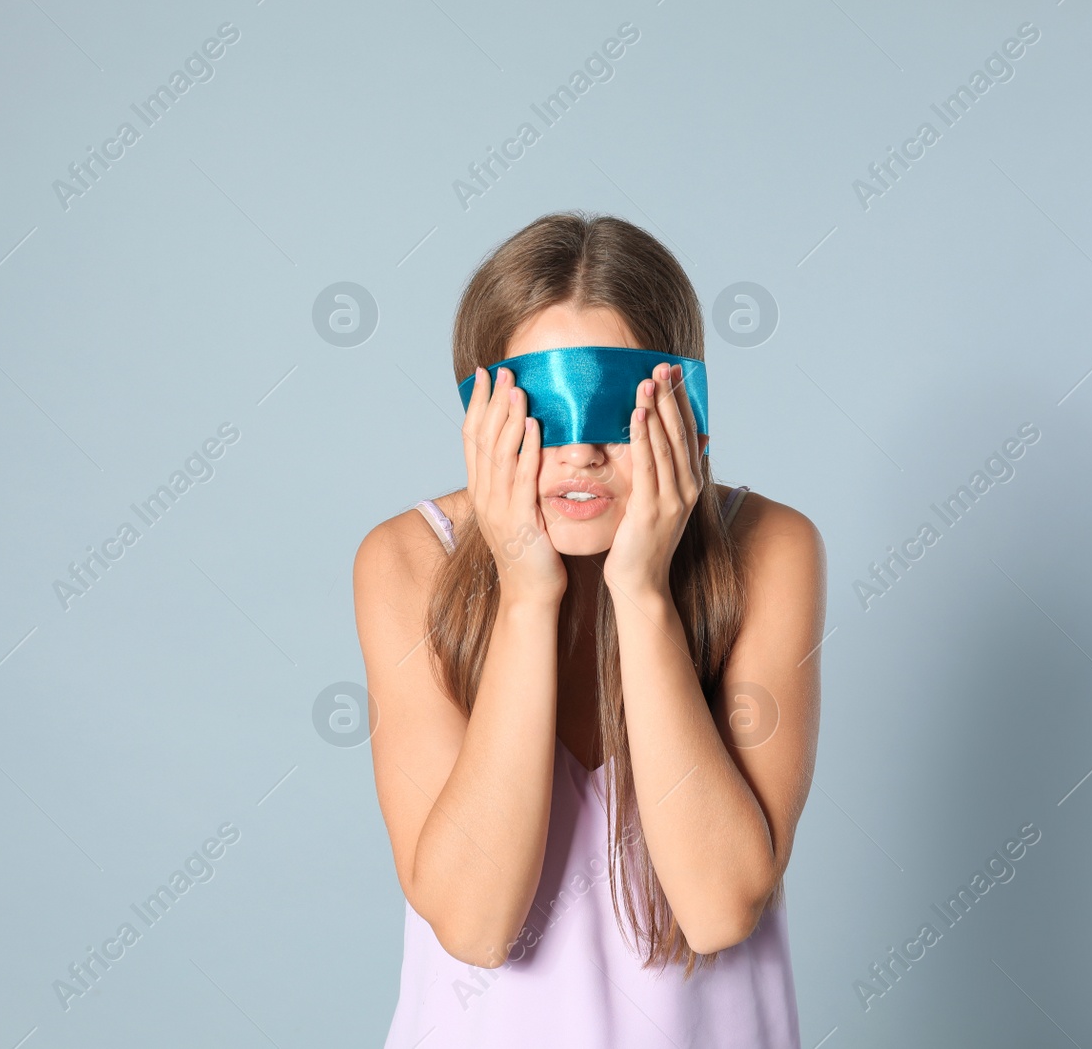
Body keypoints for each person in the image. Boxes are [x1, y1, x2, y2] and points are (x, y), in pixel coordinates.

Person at [352, 211, 826, 1048]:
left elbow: (719, 906)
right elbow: (474, 923)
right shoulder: (406, 561)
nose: (578, 454)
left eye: (613, 408)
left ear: (685, 403)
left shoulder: (772, 549)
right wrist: (526, 592)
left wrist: (643, 592)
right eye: (541, 412)